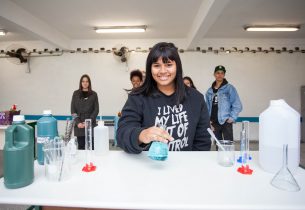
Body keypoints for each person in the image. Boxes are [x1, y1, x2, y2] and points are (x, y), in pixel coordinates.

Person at [117, 42, 211, 154]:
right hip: (148, 167)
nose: (162, 71)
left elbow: (203, 141)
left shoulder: (196, 98)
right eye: (157, 65)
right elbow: (122, 134)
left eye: (168, 65)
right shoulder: (137, 97)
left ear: (177, 67)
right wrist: (141, 135)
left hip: (185, 167)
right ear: (150, 68)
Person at [205, 65, 242, 143]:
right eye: (218, 73)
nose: (220, 75)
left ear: (224, 75)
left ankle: (228, 156)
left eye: (222, 73)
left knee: (228, 145)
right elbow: (207, 108)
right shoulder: (209, 91)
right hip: (214, 123)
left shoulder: (229, 88)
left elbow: (237, 104)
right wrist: (208, 120)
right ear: (214, 74)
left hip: (225, 122)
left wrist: (232, 118)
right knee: (218, 145)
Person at [71, 74, 99, 150]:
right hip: (79, 125)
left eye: (87, 81)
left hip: (91, 124)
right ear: (81, 83)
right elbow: (73, 111)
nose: (85, 83)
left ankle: (92, 162)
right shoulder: (75, 94)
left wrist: (88, 122)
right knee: (81, 147)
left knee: (92, 147)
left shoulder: (94, 94)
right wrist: (78, 122)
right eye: (83, 81)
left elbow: (96, 110)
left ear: (89, 83)